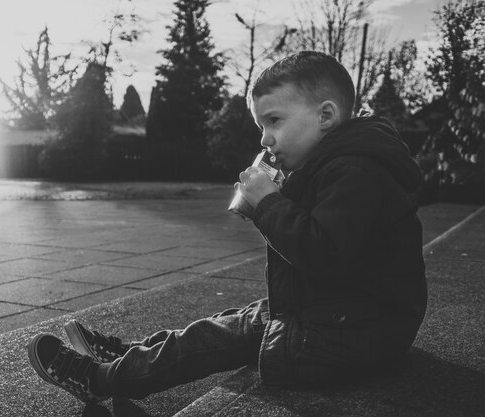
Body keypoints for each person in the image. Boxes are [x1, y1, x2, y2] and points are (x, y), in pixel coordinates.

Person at [27, 51, 427, 404]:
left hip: (354, 334)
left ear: (325, 115)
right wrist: (275, 198)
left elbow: (325, 255)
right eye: (261, 127)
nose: (267, 139)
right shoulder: (339, 162)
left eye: (274, 121)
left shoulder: (356, 170)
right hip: (349, 313)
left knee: (218, 337)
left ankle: (101, 380)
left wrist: (268, 203)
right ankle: (129, 355)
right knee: (226, 321)